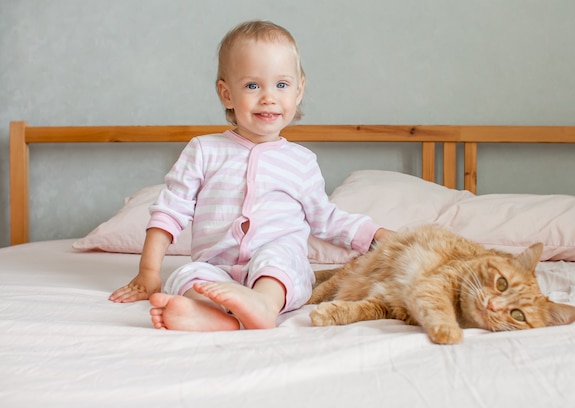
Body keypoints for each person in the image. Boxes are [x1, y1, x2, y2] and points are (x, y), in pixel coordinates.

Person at [109, 20, 393, 331]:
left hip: (276, 267)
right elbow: (169, 211)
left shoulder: (301, 161)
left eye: (281, 85)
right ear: (226, 94)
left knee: (280, 260)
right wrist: (149, 272)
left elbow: (325, 218)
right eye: (252, 86)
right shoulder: (203, 150)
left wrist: (376, 236)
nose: (268, 97)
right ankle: (212, 314)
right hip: (217, 267)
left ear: (299, 91)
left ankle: (263, 304)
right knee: (185, 276)